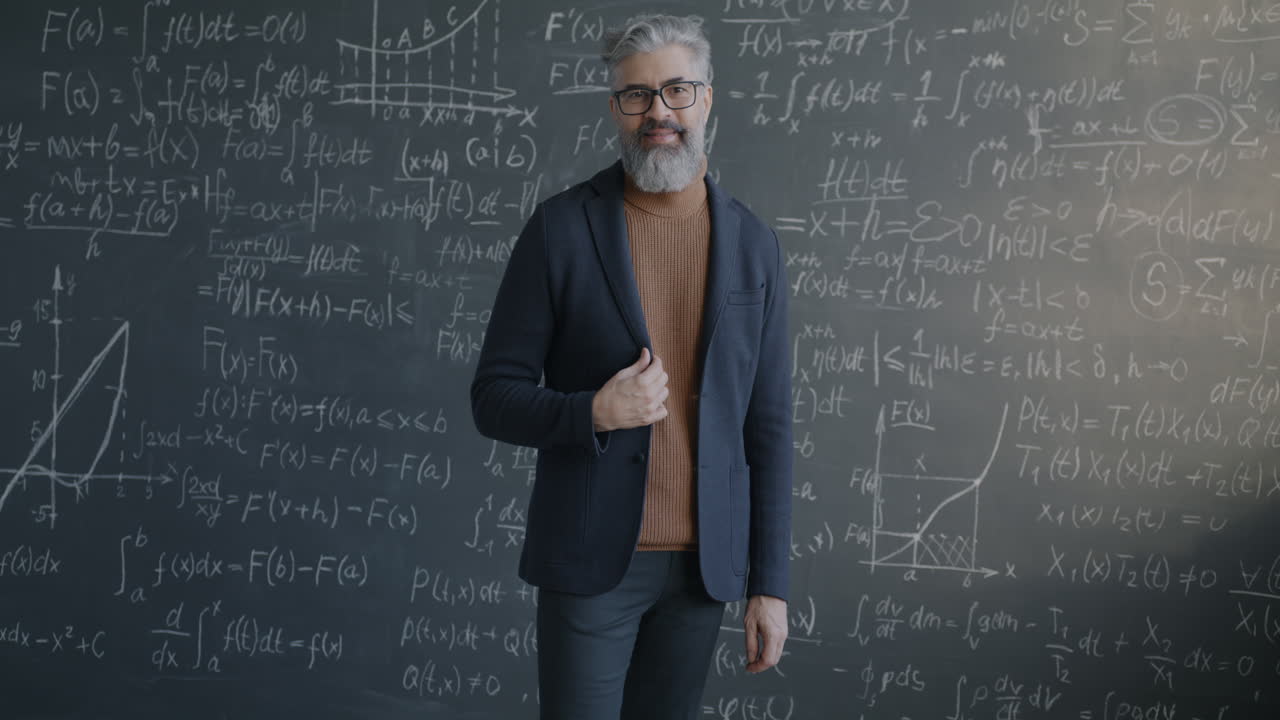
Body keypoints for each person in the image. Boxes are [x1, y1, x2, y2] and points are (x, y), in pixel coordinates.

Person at [470, 13, 792, 719]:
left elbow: (768, 428)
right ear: (616, 108)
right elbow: (493, 396)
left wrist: (769, 584)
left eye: (677, 90)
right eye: (637, 96)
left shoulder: (754, 247)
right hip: (590, 565)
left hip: (701, 573)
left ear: (707, 98)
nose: (659, 113)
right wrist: (589, 412)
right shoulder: (560, 228)